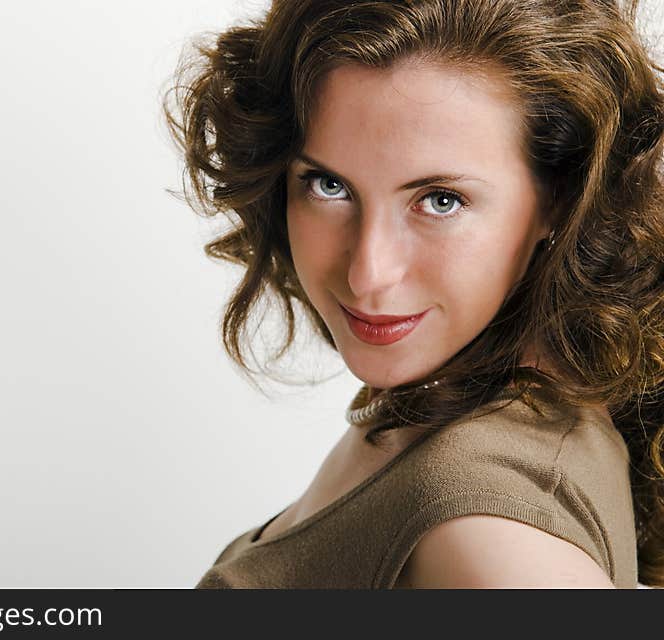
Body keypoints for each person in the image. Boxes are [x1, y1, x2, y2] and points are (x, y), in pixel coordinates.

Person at [163, 0, 664, 588]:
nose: (368, 274)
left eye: (440, 199)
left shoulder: (490, 531)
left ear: (559, 197)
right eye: (329, 185)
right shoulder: (447, 399)